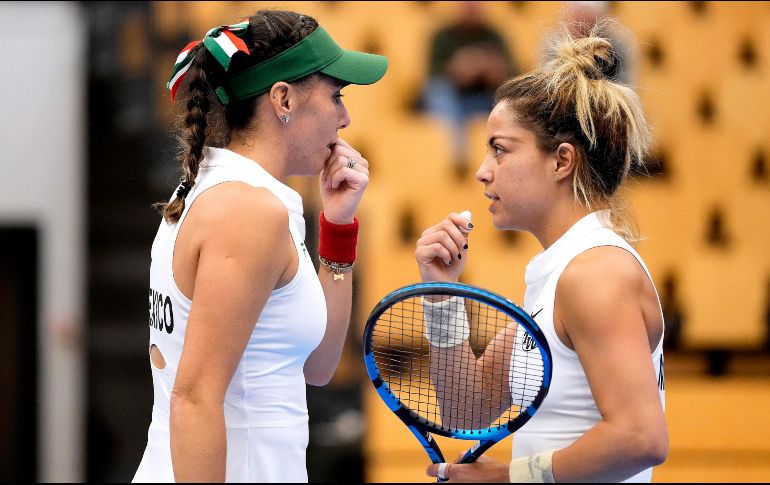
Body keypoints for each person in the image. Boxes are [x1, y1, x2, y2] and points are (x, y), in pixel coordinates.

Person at [132, 9, 387, 483]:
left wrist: (337, 225)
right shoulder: (249, 213)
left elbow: (318, 365)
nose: (345, 117)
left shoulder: (219, 191)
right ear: (283, 98)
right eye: (336, 96)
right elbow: (195, 398)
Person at [415, 25, 668, 483]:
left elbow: (641, 438)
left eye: (500, 150)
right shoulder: (559, 273)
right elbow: (465, 408)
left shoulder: (597, 273)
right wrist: (443, 299)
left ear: (561, 161)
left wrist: (511, 477)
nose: (482, 171)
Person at [420, 1, 518, 178]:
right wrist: (458, 70)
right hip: (453, 102)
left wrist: (491, 70)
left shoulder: (494, 35)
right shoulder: (442, 36)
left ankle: (509, 144)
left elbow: (512, 74)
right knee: (438, 91)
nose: (472, 8)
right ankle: (454, 151)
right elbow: (432, 75)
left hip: (483, 98)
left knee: (510, 94)